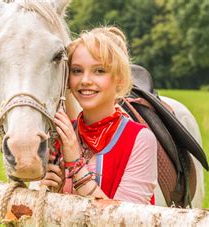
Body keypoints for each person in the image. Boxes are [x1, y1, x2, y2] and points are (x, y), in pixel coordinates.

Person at [40, 26, 158, 205]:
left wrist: (75, 164)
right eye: (77, 71)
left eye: (99, 71)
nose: (85, 80)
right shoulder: (61, 135)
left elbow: (124, 221)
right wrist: (53, 194)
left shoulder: (140, 140)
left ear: (119, 78)